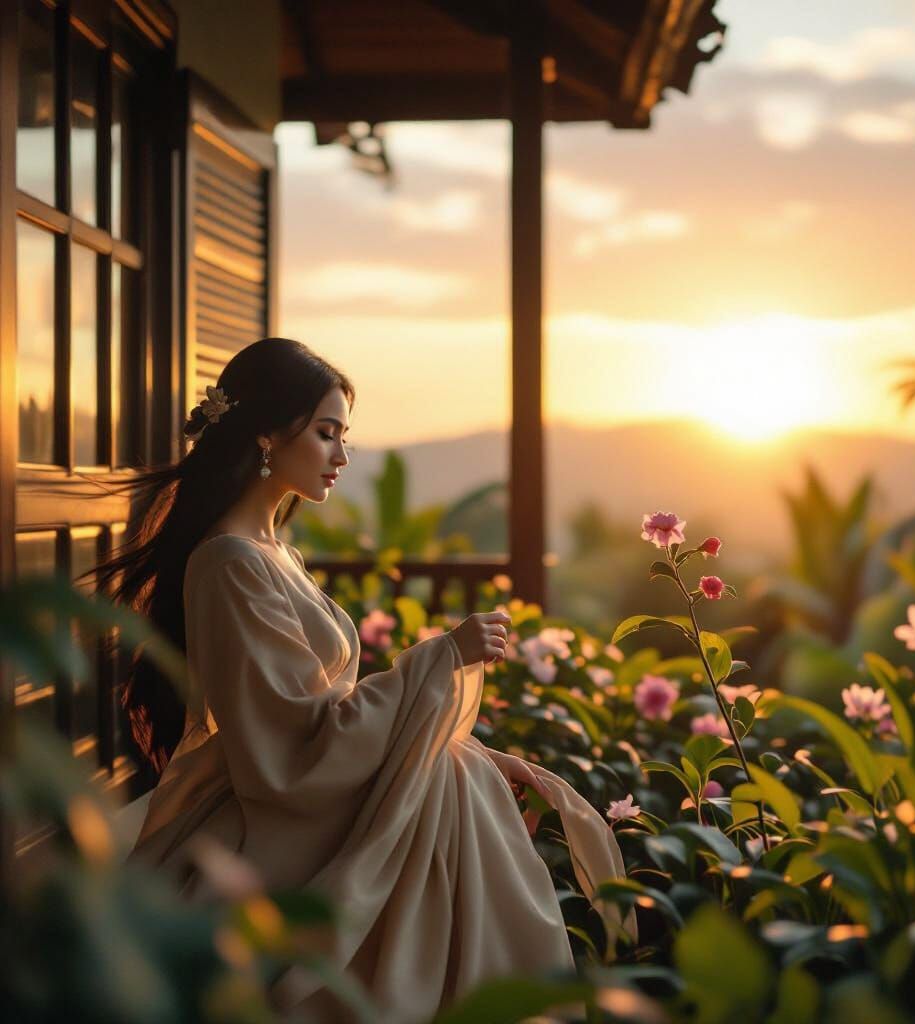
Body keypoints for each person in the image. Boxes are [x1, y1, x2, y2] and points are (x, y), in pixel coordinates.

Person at [87, 338, 635, 1022]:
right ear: (266, 434)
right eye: (326, 434)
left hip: (325, 786)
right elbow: (292, 746)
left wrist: (463, 749)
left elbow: (331, 709)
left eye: (343, 436)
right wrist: (442, 656)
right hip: (288, 815)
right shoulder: (230, 565)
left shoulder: (272, 553)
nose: (341, 456)